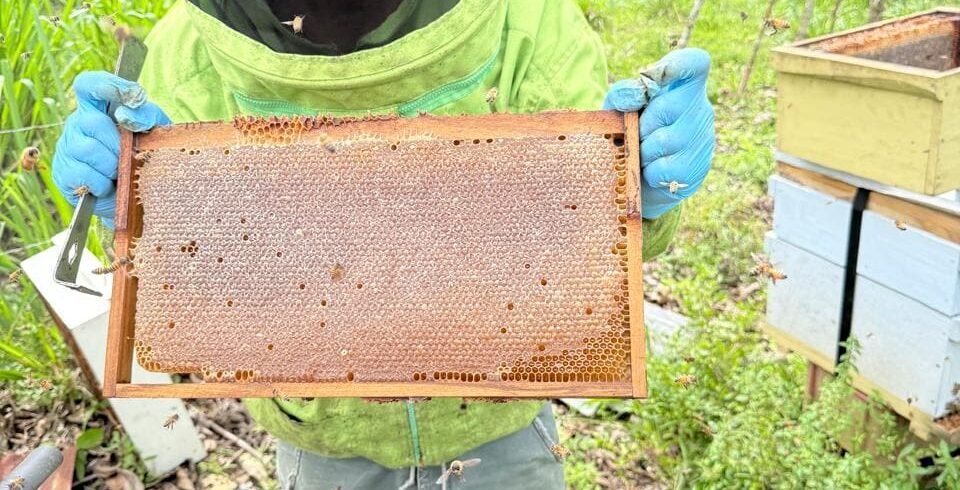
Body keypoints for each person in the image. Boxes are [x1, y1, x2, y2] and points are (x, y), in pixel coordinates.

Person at [52, 1, 714, 488]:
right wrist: (136, 207)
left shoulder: (527, 20)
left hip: (499, 431)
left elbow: (586, 241)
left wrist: (641, 193)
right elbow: (197, 281)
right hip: (322, 442)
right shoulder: (183, 55)